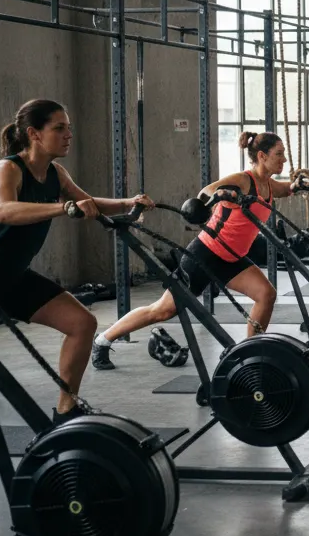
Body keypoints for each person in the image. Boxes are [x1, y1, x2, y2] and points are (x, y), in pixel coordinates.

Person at [0, 99, 152, 421]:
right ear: (33, 133)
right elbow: (3, 211)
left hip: (10, 279)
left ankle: (66, 410)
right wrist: (64, 208)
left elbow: (87, 203)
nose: (68, 135)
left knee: (82, 323)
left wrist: (129, 202)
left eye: (69, 128)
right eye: (59, 128)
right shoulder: (7, 170)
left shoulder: (56, 174)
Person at [92, 131, 297, 370]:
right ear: (262, 156)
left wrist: (304, 183)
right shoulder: (243, 180)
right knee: (163, 310)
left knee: (266, 294)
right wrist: (221, 195)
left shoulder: (268, 185)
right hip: (205, 254)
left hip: (232, 259)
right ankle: (102, 340)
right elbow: (206, 192)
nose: (284, 159)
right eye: (279, 154)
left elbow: (286, 189)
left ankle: (249, 355)